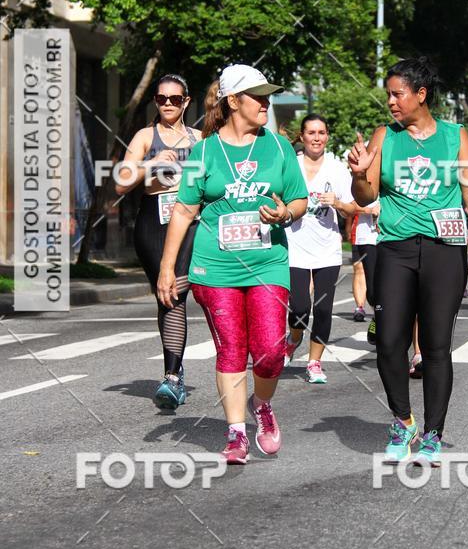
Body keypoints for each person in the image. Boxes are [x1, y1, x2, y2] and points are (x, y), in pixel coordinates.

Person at [349, 57, 468, 466]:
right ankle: (403, 420)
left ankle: (433, 432)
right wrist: (361, 174)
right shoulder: (385, 136)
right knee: (389, 342)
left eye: (398, 94)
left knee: (436, 347)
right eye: (388, 95)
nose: (391, 102)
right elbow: (364, 197)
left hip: (444, 250)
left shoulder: (455, 137)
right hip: (395, 248)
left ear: (421, 94)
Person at [157, 65, 308, 463]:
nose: (265, 102)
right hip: (215, 266)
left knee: (271, 351)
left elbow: (299, 200)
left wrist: (285, 214)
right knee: (231, 349)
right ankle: (236, 432)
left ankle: (262, 403)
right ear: (233, 101)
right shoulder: (205, 152)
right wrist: (167, 267)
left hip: (268, 263)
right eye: (257, 96)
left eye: (267, 95)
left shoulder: (277, 147)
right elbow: (184, 209)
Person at [115, 74, 201, 409]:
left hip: (191, 222)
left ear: (186, 102)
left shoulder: (199, 138)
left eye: (175, 99)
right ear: (155, 101)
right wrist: (151, 163)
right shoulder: (144, 136)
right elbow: (121, 183)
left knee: (176, 290)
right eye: (162, 98)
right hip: (154, 221)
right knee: (166, 295)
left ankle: (172, 377)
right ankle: (175, 373)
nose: (168, 104)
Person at [283, 114, 356, 383]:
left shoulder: (337, 169)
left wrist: (337, 202)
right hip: (295, 247)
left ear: (327, 137)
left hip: (327, 249)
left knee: (323, 309)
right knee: (300, 307)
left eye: (321, 133)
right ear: (302, 137)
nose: (317, 137)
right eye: (311, 133)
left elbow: (351, 208)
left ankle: (314, 362)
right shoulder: (290, 165)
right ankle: (294, 337)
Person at [352, 201, 379, 325]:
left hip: (393, 236)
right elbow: (349, 205)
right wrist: (368, 210)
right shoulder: (361, 182)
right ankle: (376, 315)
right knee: (372, 284)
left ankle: (384, 318)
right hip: (367, 238)